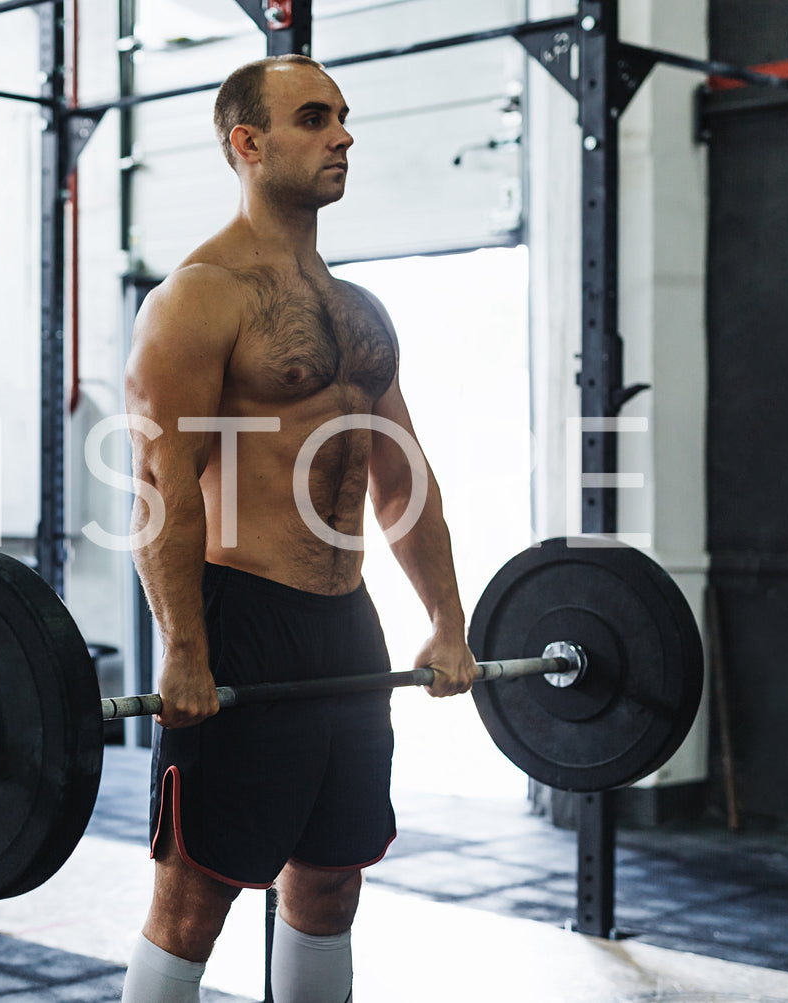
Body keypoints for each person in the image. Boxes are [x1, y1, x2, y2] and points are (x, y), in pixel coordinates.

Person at [119, 54, 480, 1003]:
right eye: (313, 118)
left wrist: (447, 619)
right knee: (195, 897)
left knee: (329, 878)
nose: (342, 135)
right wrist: (183, 649)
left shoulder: (360, 312)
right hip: (243, 620)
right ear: (247, 142)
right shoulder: (198, 296)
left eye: (342, 117)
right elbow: (162, 486)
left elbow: (399, 470)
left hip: (342, 623)